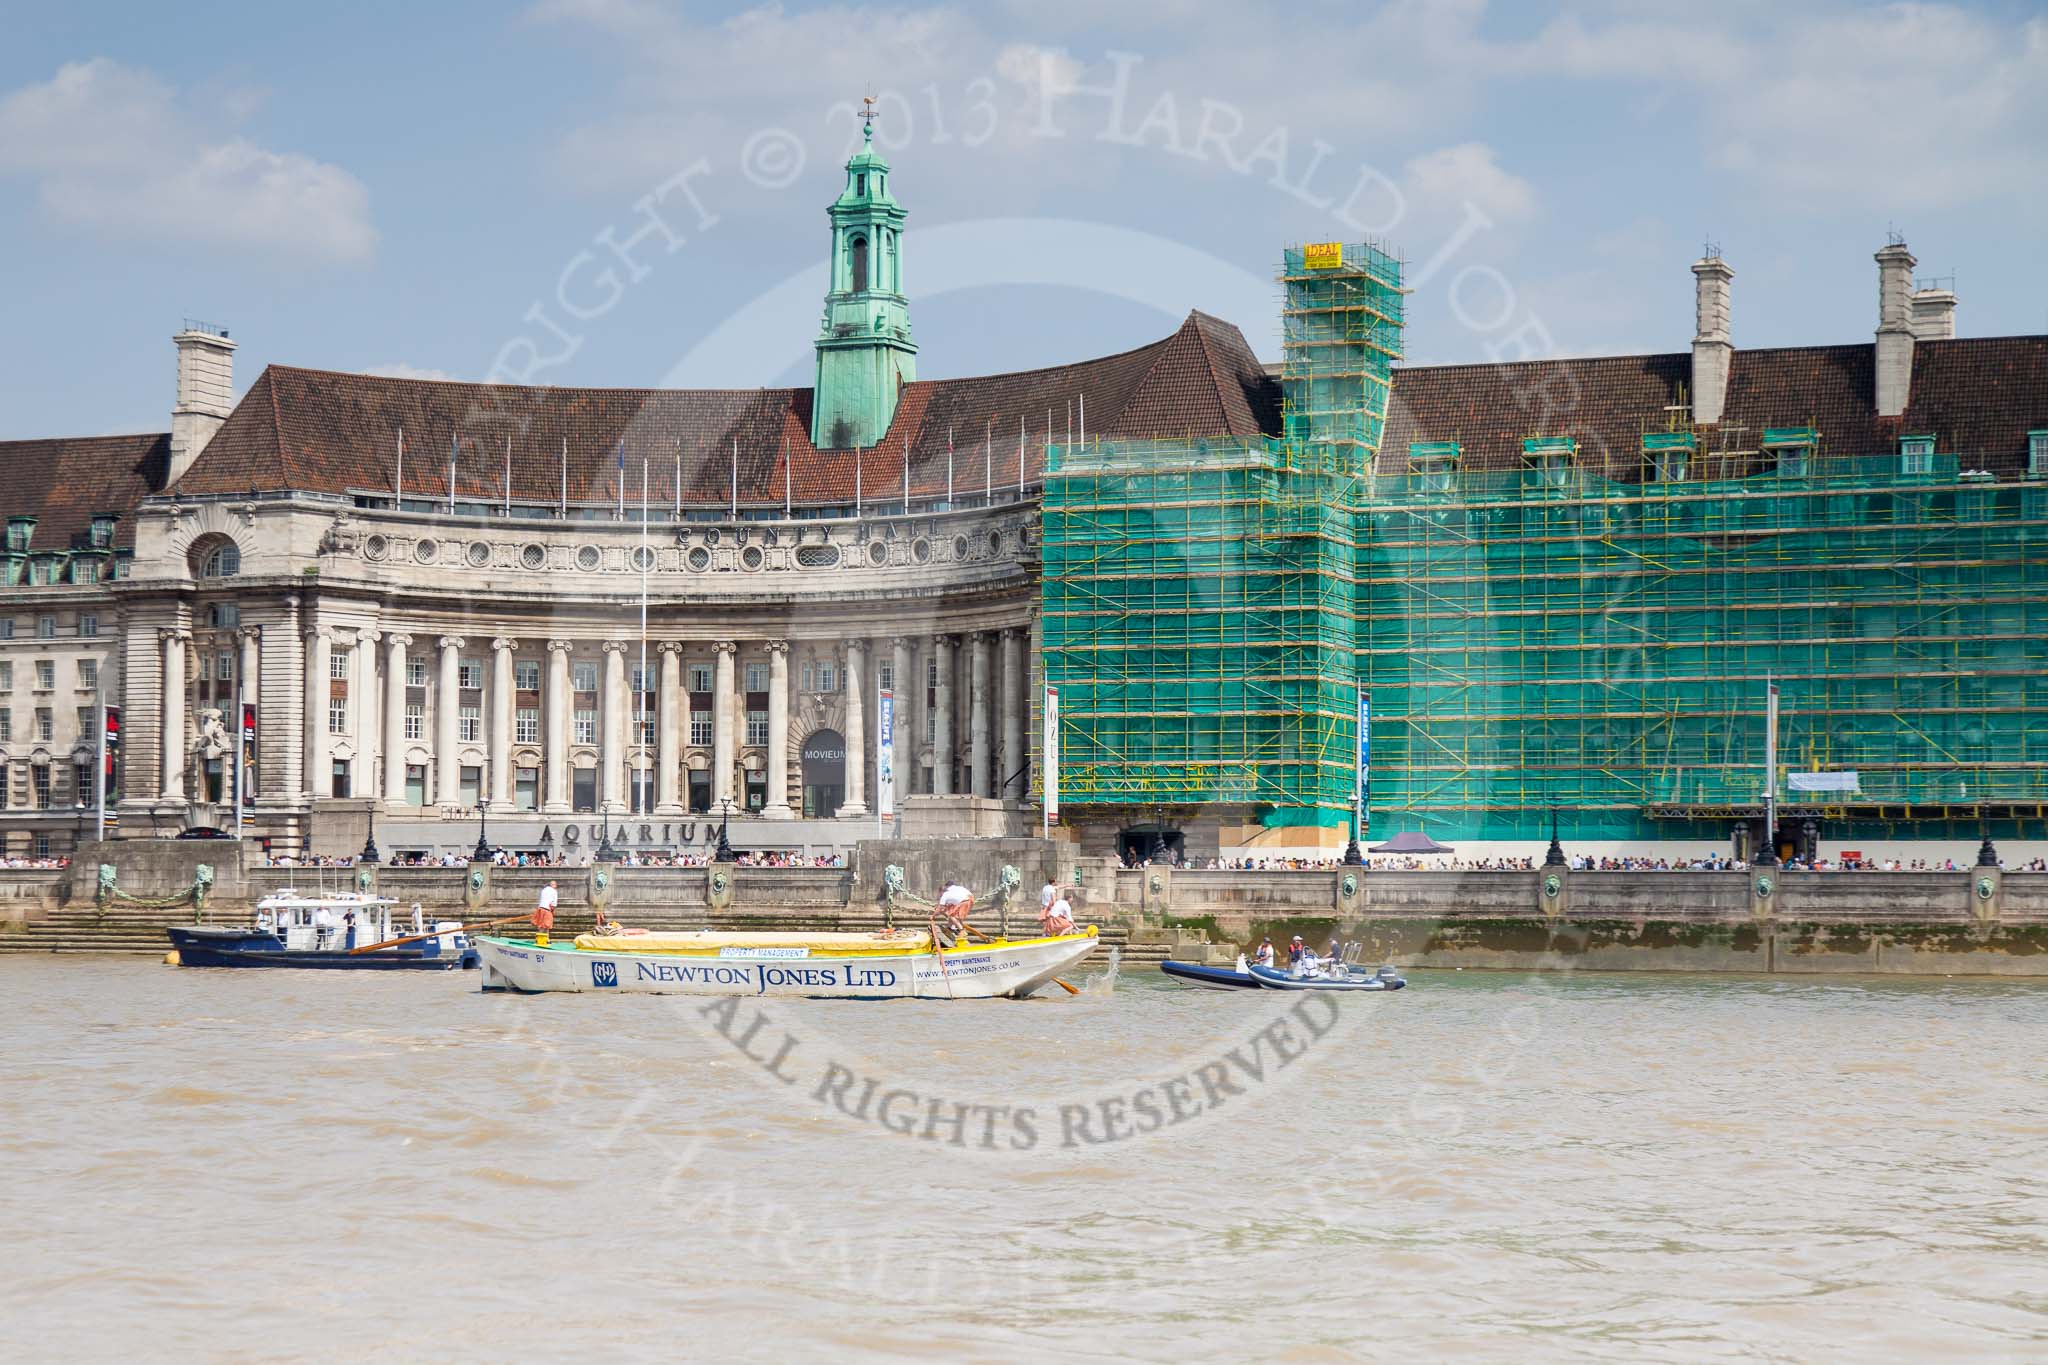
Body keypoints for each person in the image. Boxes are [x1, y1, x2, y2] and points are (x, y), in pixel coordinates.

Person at [935, 880, 975, 946]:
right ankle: (951, 928)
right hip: (968, 898)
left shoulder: (946, 893)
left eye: (940, 893)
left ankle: (961, 930)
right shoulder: (956, 889)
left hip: (965, 900)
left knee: (952, 915)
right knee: (954, 915)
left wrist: (934, 915)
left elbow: (941, 907)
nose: (939, 895)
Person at [533, 878, 559, 948]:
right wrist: (552, 910)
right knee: (545, 925)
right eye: (555, 884)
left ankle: (547, 939)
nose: (556, 886)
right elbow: (554, 904)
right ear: (552, 885)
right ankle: (538, 939)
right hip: (547, 909)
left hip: (540, 908)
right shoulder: (554, 891)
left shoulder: (544, 890)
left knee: (544, 925)